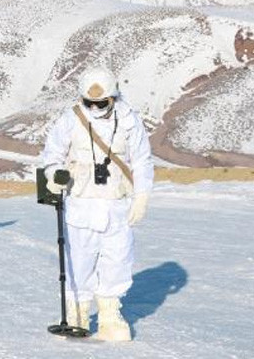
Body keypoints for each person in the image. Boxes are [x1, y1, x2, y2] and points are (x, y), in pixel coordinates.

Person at [41, 68, 154, 341]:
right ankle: (77, 314)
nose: (94, 108)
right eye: (88, 103)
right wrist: (54, 174)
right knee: (79, 260)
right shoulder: (70, 119)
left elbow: (142, 159)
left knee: (117, 260)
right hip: (81, 202)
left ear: (113, 98)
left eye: (101, 103)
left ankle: (109, 317)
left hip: (117, 203)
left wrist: (141, 196)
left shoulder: (129, 121)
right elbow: (52, 153)